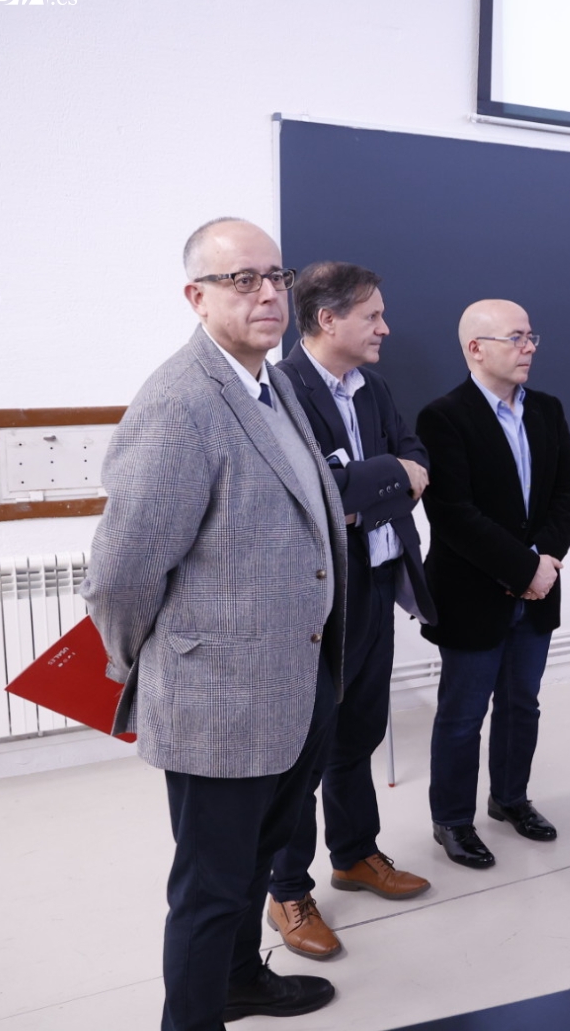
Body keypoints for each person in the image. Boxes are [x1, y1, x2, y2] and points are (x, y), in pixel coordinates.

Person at [82, 217, 344, 1029]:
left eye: (276, 276)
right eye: (242, 280)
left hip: (293, 680)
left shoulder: (270, 383)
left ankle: (238, 981)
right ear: (196, 297)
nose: (268, 294)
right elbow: (121, 574)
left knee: (256, 860)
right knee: (209, 886)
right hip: (219, 697)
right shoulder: (181, 403)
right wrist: (149, 663)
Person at [264, 262, 437, 960]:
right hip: (317, 599)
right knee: (301, 754)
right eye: (373, 316)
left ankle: (356, 853)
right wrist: (389, 480)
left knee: (358, 734)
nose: (385, 328)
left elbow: (414, 454)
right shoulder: (282, 390)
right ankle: (286, 890)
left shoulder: (374, 388)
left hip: (376, 582)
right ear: (327, 319)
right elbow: (316, 488)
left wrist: (372, 488)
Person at [416, 299, 570, 869]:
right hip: (473, 596)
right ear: (476, 349)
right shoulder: (443, 417)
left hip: (538, 589)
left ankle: (510, 799)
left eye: (531, 336)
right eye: (516, 338)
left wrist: (546, 561)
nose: (529, 347)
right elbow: (454, 515)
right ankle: (452, 821)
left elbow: (568, 494)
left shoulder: (548, 409)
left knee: (522, 705)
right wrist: (524, 569)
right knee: (463, 716)